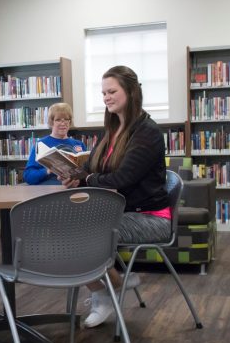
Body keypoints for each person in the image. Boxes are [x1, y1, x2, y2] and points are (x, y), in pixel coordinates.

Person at [60, 65, 171, 328]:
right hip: (118, 210)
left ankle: (106, 293)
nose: (106, 97)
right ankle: (116, 283)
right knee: (62, 228)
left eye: (112, 91)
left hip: (149, 216)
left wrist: (86, 179)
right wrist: (74, 173)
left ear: (131, 92)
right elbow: (92, 167)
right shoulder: (113, 129)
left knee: (77, 234)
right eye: (103, 93)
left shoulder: (147, 132)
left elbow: (122, 179)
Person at [22, 102, 87, 185]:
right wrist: (49, 169)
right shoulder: (41, 144)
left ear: (70, 121)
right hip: (49, 192)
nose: (63, 123)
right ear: (51, 122)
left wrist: (79, 182)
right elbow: (28, 176)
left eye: (66, 119)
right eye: (58, 120)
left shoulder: (79, 144)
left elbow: (87, 175)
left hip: (74, 191)